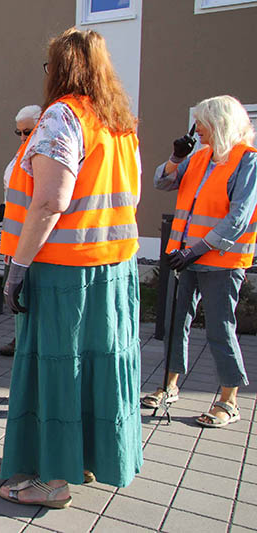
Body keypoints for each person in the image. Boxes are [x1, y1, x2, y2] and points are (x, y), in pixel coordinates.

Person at [0, 28, 142, 508]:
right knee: (98, 367)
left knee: (59, 370)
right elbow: (132, 196)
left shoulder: (63, 114)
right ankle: (82, 459)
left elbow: (49, 203)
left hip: (65, 273)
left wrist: (17, 267)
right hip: (113, 271)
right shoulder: (118, 122)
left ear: (61, 68)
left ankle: (53, 480)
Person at [141, 95, 255, 428]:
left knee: (220, 328)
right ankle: (170, 385)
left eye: (201, 122)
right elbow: (162, 182)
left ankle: (229, 400)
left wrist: (196, 250)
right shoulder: (199, 157)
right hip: (185, 258)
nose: (197, 129)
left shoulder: (247, 162)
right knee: (177, 323)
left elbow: (238, 219)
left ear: (220, 123)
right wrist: (177, 156)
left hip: (221, 261)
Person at [0, 104, 42, 357]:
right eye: (18, 132)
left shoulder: (43, 153)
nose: (22, 137)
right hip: (14, 232)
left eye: (27, 132)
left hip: (32, 235)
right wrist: (5, 207)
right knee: (16, 290)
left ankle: (27, 339)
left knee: (27, 288)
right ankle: (21, 335)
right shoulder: (22, 152)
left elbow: (42, 198)